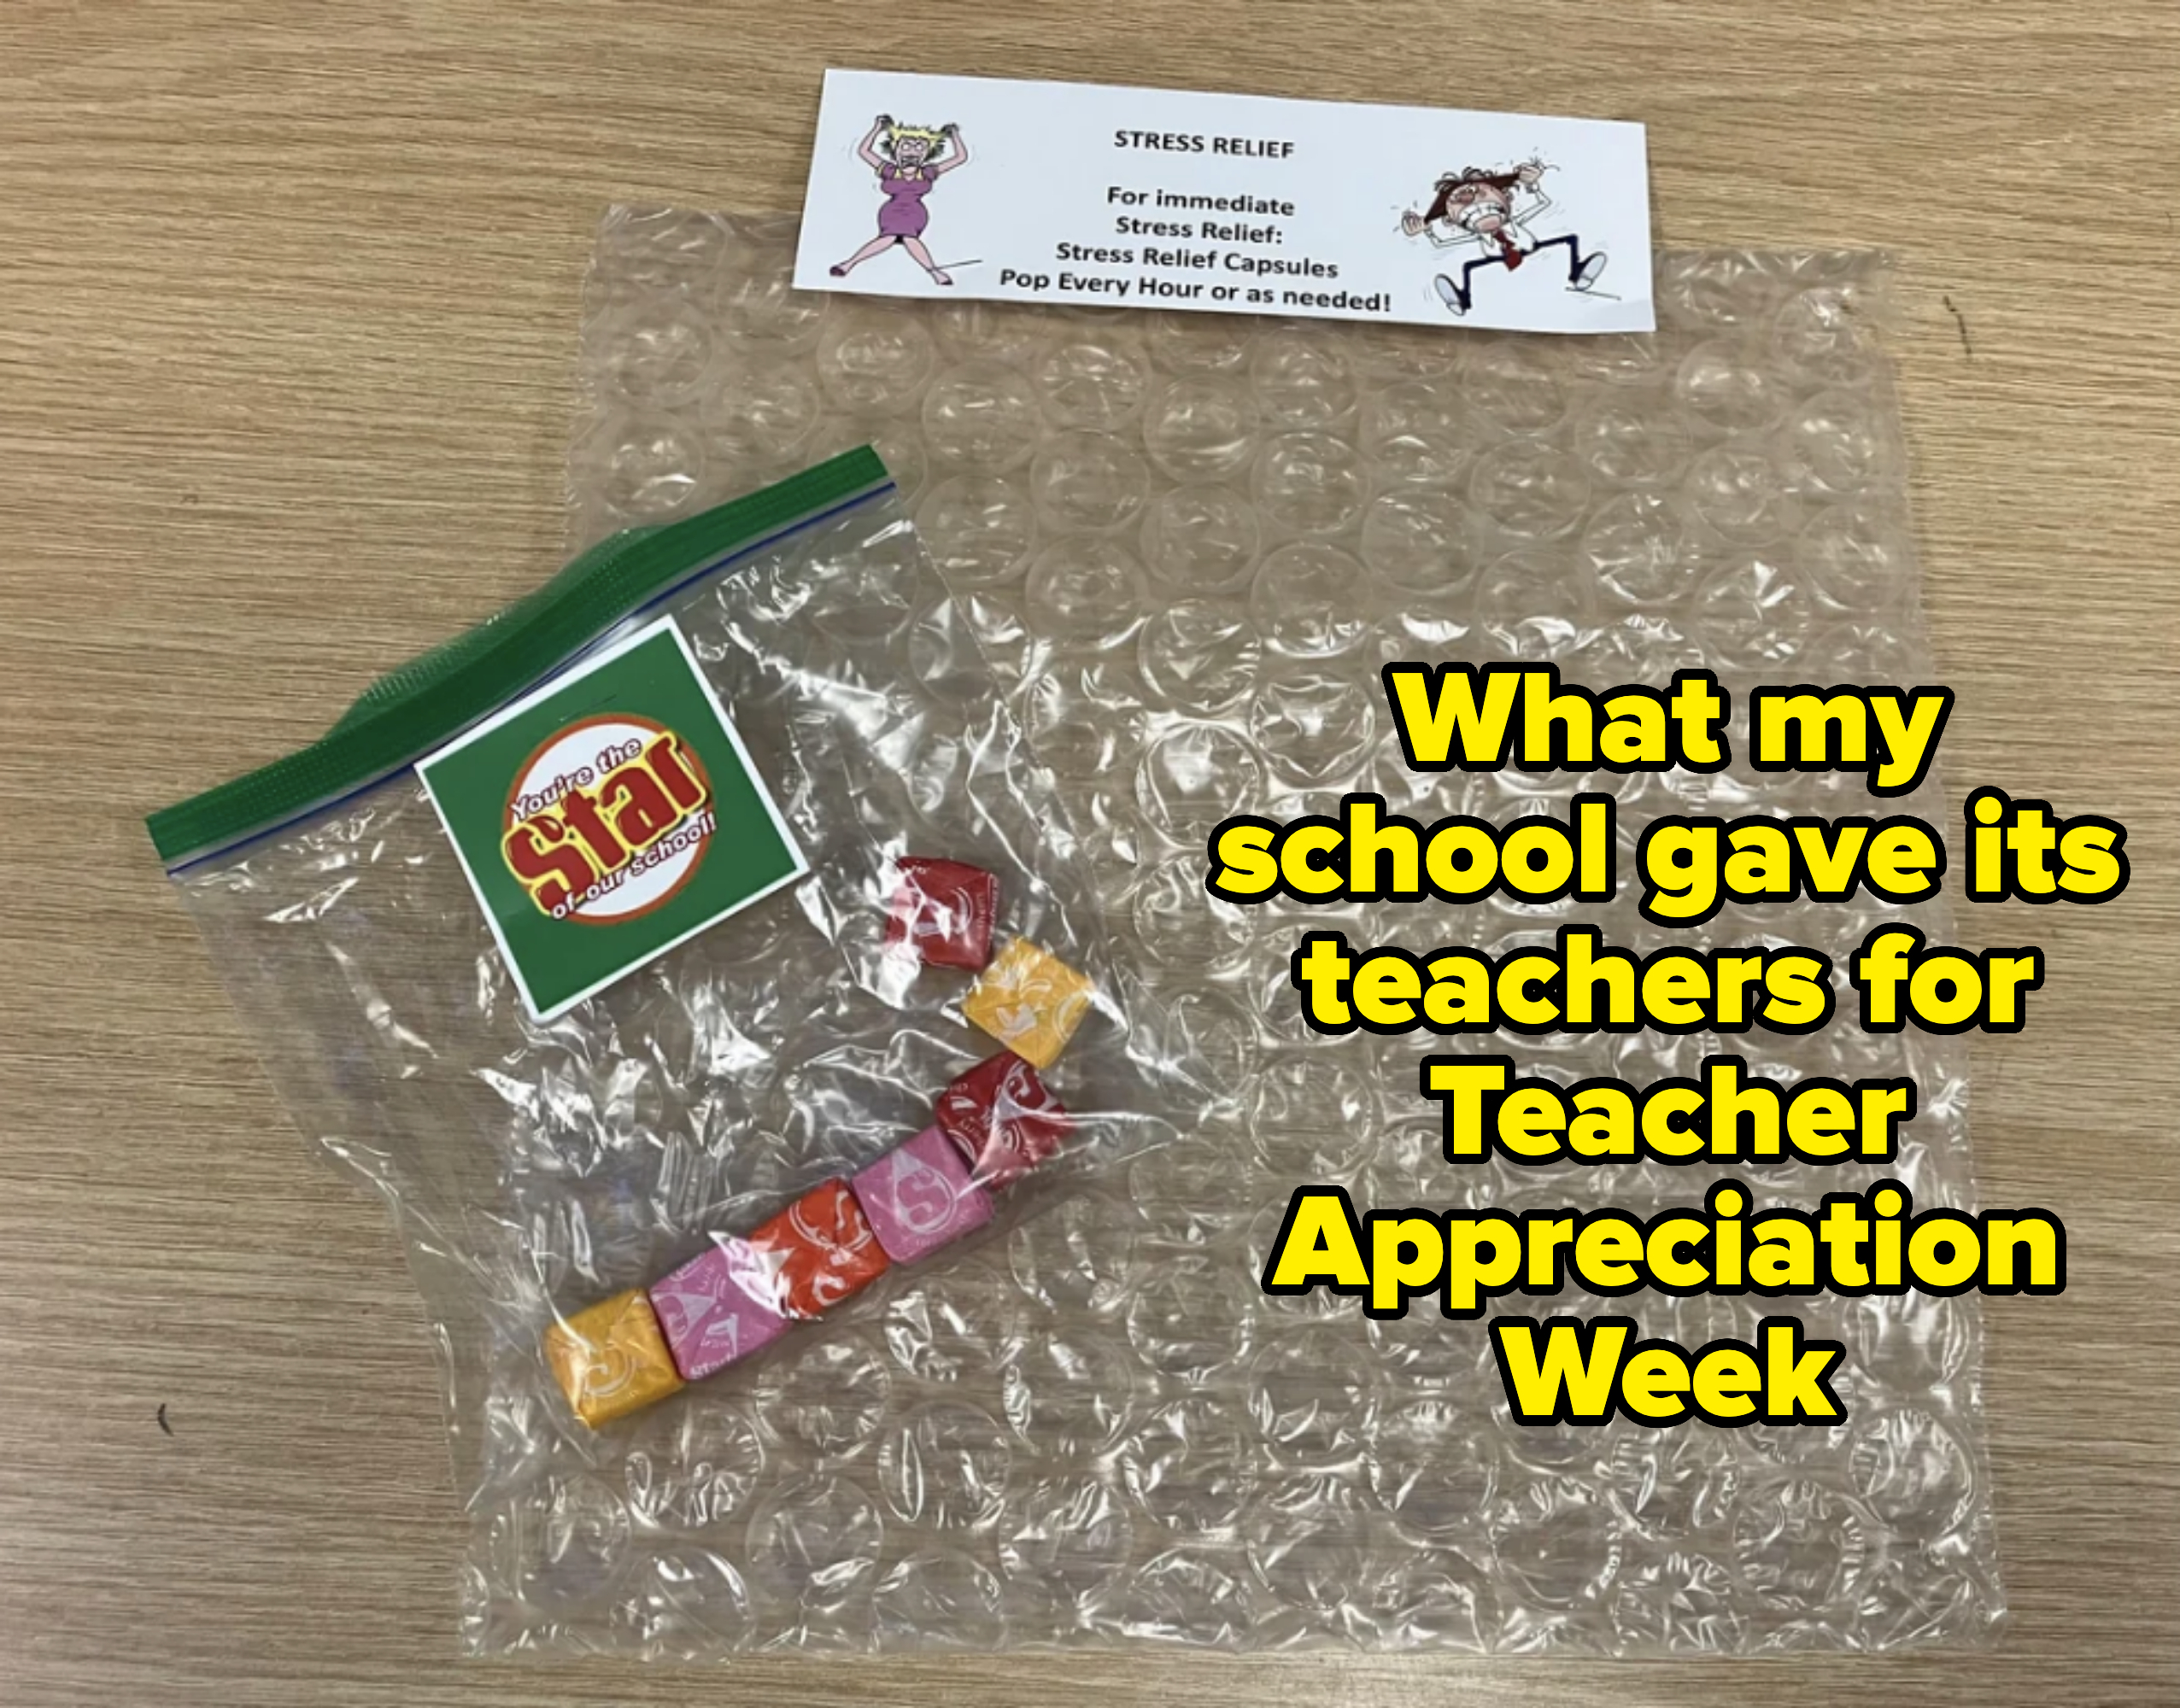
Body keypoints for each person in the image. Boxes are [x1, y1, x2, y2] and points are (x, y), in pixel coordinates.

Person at [1401, 159, 1606, 316]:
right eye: (1469, 214)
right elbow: (1440, 243)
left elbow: (1543, 203)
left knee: (1569, 241)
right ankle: (1460, 300)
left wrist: (1532, 185)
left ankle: (1580, 273)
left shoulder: (1514, 222)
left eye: (1489, 205)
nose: (1481, 214)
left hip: (1531, 247)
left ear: (1506, 198)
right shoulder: (1480, 237)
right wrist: (1425, 229)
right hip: (1497, 257)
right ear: (1453, 222)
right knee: (1468, 269)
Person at [830, 115, 970, 284]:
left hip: (914, 213)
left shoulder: (928, 172)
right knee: (888, 237)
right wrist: (876, 129)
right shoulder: (889, 170)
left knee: (908, 237)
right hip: (892, 211)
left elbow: (960, 158)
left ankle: (935, 273)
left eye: (919, 148)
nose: (912, 151)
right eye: (905, 146)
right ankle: (849, 264)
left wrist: (954, 135)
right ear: (895, 150)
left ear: (926, 154)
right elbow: (864, 152)